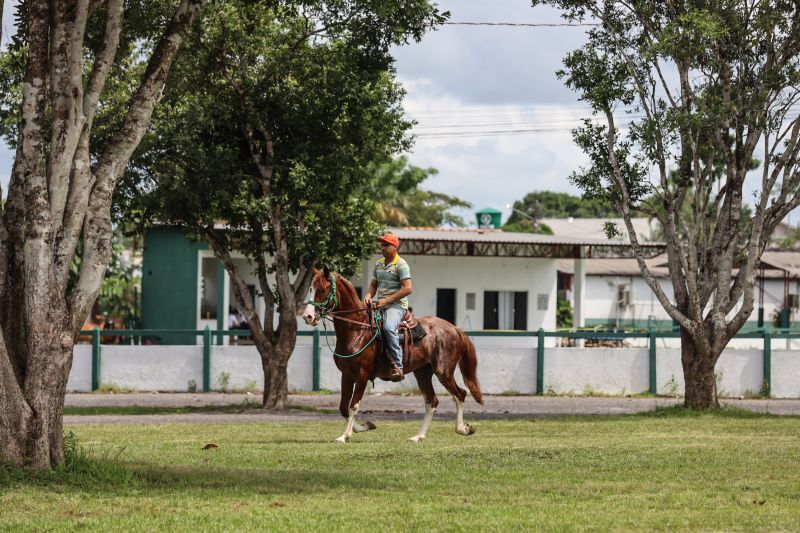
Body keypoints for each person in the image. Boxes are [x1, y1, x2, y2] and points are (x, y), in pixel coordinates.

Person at [363, 232, 413, 382]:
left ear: (394, 247)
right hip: (380, 304)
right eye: (381, 245)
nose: (382, 247)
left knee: (388, 328)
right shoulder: (378, 263)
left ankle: (397, 365)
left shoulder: (401, 264)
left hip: (397, 306)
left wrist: (387, 301)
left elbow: (408, 288)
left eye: (386, 245)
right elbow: (373, 285)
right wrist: (367, 296)